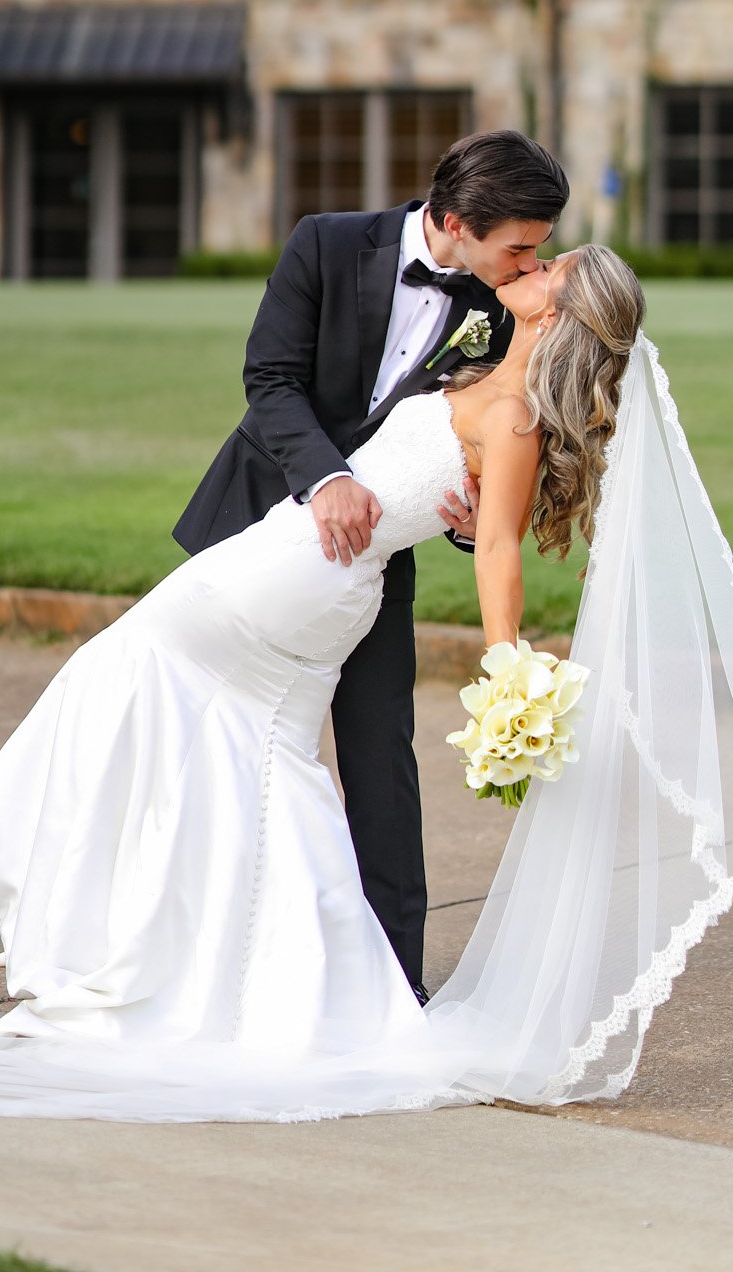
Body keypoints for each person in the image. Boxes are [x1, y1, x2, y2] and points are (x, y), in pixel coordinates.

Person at [0, 244, 733, 1122]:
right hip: (307, 563)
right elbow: (446, 493)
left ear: (558, 311)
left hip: (303, 577)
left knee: (131, 682)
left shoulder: (518, 412)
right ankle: (277, 983)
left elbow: (495, 547)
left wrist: (504, 662)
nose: (529, 263)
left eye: (547, 266)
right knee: (250, 760)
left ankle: (194, 964)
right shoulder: (483, 364)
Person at [172, 128, 569, 998]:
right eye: (518, 247)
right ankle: (199, 951)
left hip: (375, 565)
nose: (530, 263)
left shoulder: (506, 305)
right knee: (214, 742)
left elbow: (481, 458)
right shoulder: (324, 242)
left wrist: (461, 520)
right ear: (457, 220)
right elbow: (270, 378)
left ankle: (393, 986)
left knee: (380, 752)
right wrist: (328, 478)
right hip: (259, 530)